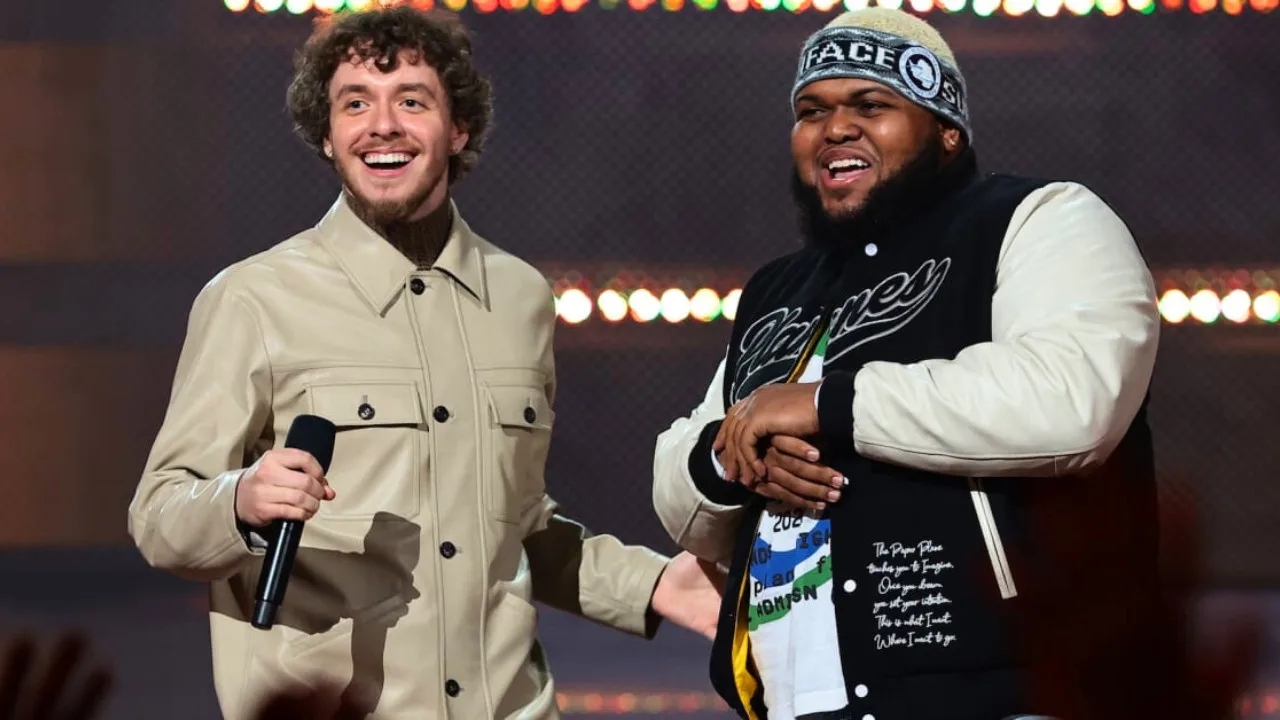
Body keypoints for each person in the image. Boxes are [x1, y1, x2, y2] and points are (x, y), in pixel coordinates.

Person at [126, 7, 721, 719]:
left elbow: (514, 527)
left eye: (412, 100)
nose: (383, 125)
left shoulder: (520, 298)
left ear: (458, 128)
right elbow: (159, 515)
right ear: (326, 133)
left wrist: (657, 586)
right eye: (355, 104)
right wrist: (240, 500)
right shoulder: (253, 298)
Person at [652, 8, 1162, 720]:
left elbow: (1074, 402)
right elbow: (681, 484)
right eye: (811, 110)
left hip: (1018, 691)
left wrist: (830, 404)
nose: (834, 128)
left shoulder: (1039, 218)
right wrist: (736, 455)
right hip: (798, 702)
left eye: (871, 105)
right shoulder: (779, 288)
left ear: (946, 132)